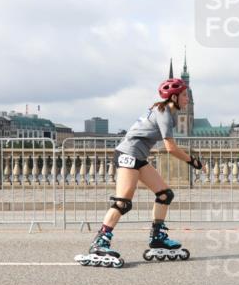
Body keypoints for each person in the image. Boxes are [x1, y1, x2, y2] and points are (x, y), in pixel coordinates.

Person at [76, 77, 204, 267]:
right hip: (128, 154)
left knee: (164, 194)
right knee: (123, 202)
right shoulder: (165, 113)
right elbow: (170, 148)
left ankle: (157, 237)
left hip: (138, 156)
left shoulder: (165, 111)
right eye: (185, 95)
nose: (188, 99)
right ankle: (100, 242)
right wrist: (193, 161)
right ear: (174, 97)